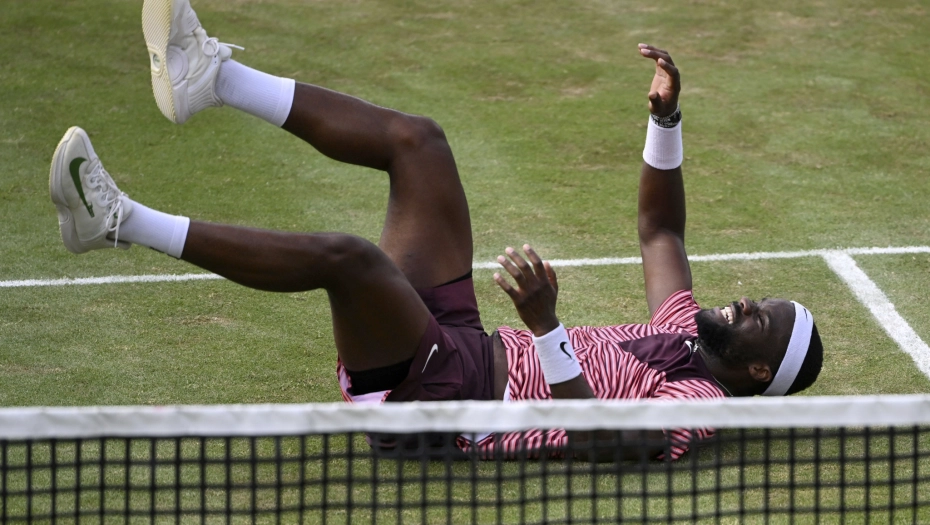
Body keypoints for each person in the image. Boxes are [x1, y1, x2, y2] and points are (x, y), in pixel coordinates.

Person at [50, 0, 822, 461]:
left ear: (759, 370)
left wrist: (548, 328)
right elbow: (661, 231)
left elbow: (604, 441)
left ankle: (115, 221)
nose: (747, 303)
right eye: (759, 301)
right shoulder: (683, 330)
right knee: (419, 143)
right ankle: (211, 77)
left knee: (349, 259)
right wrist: (666, 120)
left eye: (762, 317)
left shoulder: (697, 399)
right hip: (460, 343)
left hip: (440, 405)